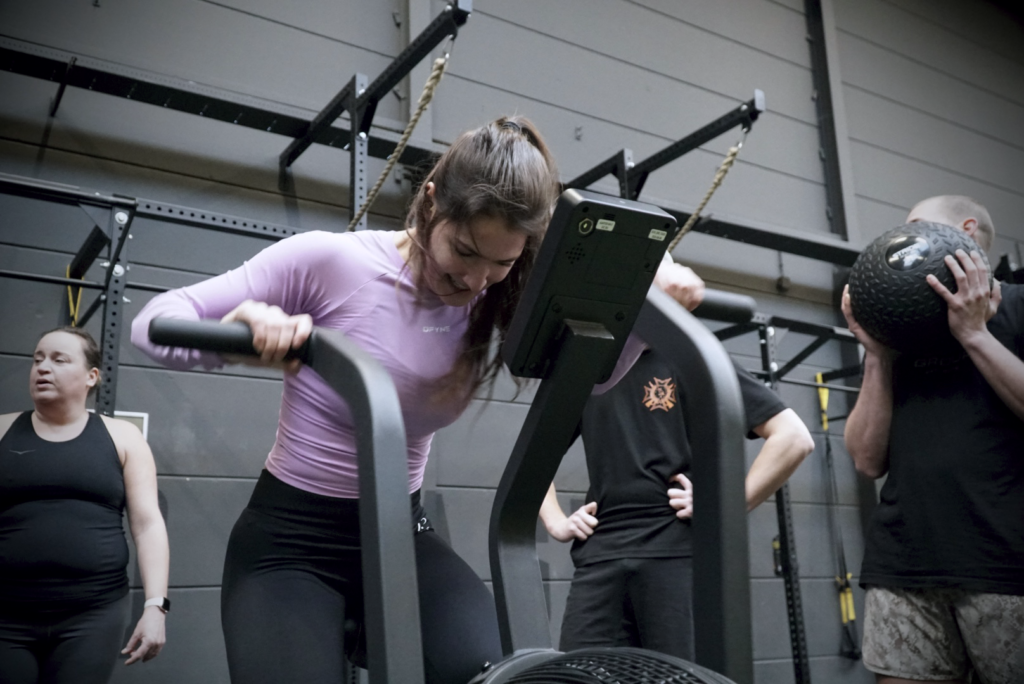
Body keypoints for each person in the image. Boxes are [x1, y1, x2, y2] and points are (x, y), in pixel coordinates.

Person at [130, 116, 699, 684]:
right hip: (290, 544)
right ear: (431, 203)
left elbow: (591, 380)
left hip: (403, 535)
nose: (478, 281)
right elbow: (154, 324)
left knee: (495, 676)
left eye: (501, 263)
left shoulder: (502, 293)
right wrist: (240, 329)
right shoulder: (333, 262)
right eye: (466, 251)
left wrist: (651, 315)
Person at [539, 274, 814, 660]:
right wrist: (555, 522)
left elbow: (794, 437)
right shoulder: (589, 371)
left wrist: (725, 504)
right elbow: (536, 455)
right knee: (579, 673)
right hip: (599, 558)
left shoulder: (693, 360)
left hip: (675, 554)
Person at [842, 195, 1024, 684]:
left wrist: (975, 335)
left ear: (965, 231)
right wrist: (877, 354)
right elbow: (864, 459)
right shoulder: (902, 333)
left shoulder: (1023, 307)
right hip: (904, 565)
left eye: (917, 228)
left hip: (1007, 564)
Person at [0, 327, 169, 684]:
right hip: (7, 613)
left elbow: (148, 523)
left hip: (93, 614)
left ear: (92, 376)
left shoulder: (123, 436)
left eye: (59, 360)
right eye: (38, 359)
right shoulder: (1, 431)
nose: (43, 368)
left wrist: (156, 605)